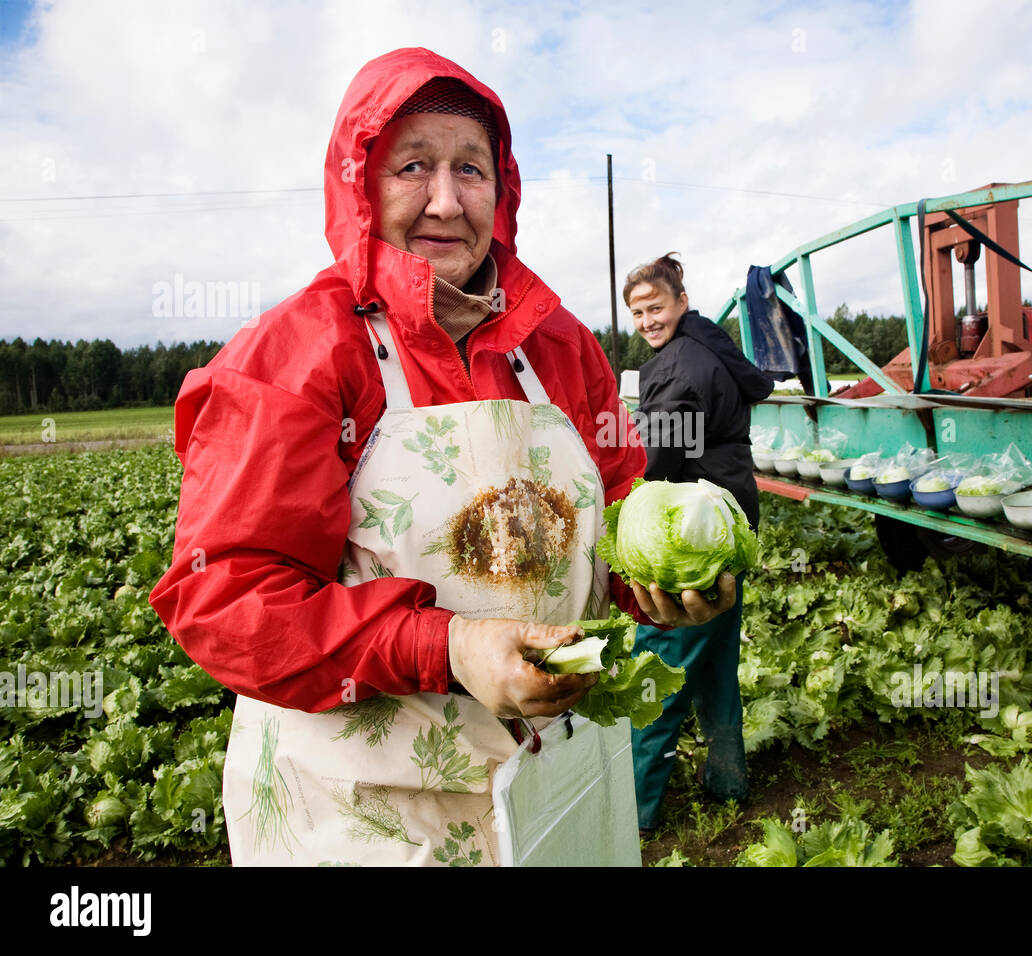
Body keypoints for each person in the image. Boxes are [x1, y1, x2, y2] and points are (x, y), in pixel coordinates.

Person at [148, 49, 733, 866]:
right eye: (412, 166)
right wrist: (448, 647)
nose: (447, 200)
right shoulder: (298, 354)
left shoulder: (559, 346)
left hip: (555, 778)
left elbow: (613, 513)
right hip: (367, 811)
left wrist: (650, 584)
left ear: (504, 190)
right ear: (360, 185)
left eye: (472, 168)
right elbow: (230, 596)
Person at [623, 253, 775, 833]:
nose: (646, 320)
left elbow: (656, 458)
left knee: (657, 671)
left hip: (691, 539)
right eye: (637, 312)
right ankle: (727, 779)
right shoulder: (706, 347)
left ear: (680, 302)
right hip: (727, 522)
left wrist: (619, 511)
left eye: (655, 307)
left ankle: (635, 811)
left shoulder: (681, 367)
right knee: (714, 659)